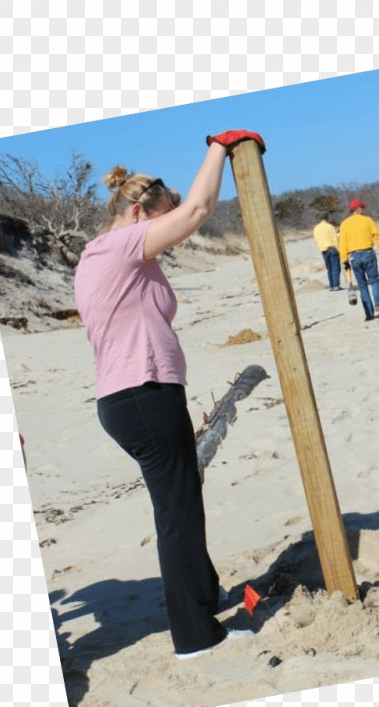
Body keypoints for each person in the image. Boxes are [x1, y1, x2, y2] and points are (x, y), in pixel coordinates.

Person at [73, 129, 265, 659]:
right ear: (138, 216)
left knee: (181, 502)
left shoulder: (109, 254)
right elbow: (200, 208)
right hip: (142, 395)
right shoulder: (119, 246)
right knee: (177, 514)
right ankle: (195, 636)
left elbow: (185, 214)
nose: (167, 234)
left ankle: (203, 595)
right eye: (160, 221)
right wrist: (220, 147)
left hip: (137, 397)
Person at [338, 198, 379, 321]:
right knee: (374, 281)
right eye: (362, 208)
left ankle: (369, 313)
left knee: (362, 285)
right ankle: (378, 303)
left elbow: (342, 244)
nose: (363, 210)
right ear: (357, 209)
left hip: (354, 257)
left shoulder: (344, 224)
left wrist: (345, 260)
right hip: (368, 253)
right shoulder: (367, 220)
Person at [312, 213, 342, 291]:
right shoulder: (329, 227)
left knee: (329, 268)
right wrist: (339, 249)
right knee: (335, 267)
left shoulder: (316, 228)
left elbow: (315, 240)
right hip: (332, 248)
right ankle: (336, 285)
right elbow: (334, 238)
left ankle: (331, 285)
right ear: (327, 218)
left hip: (323, 250)